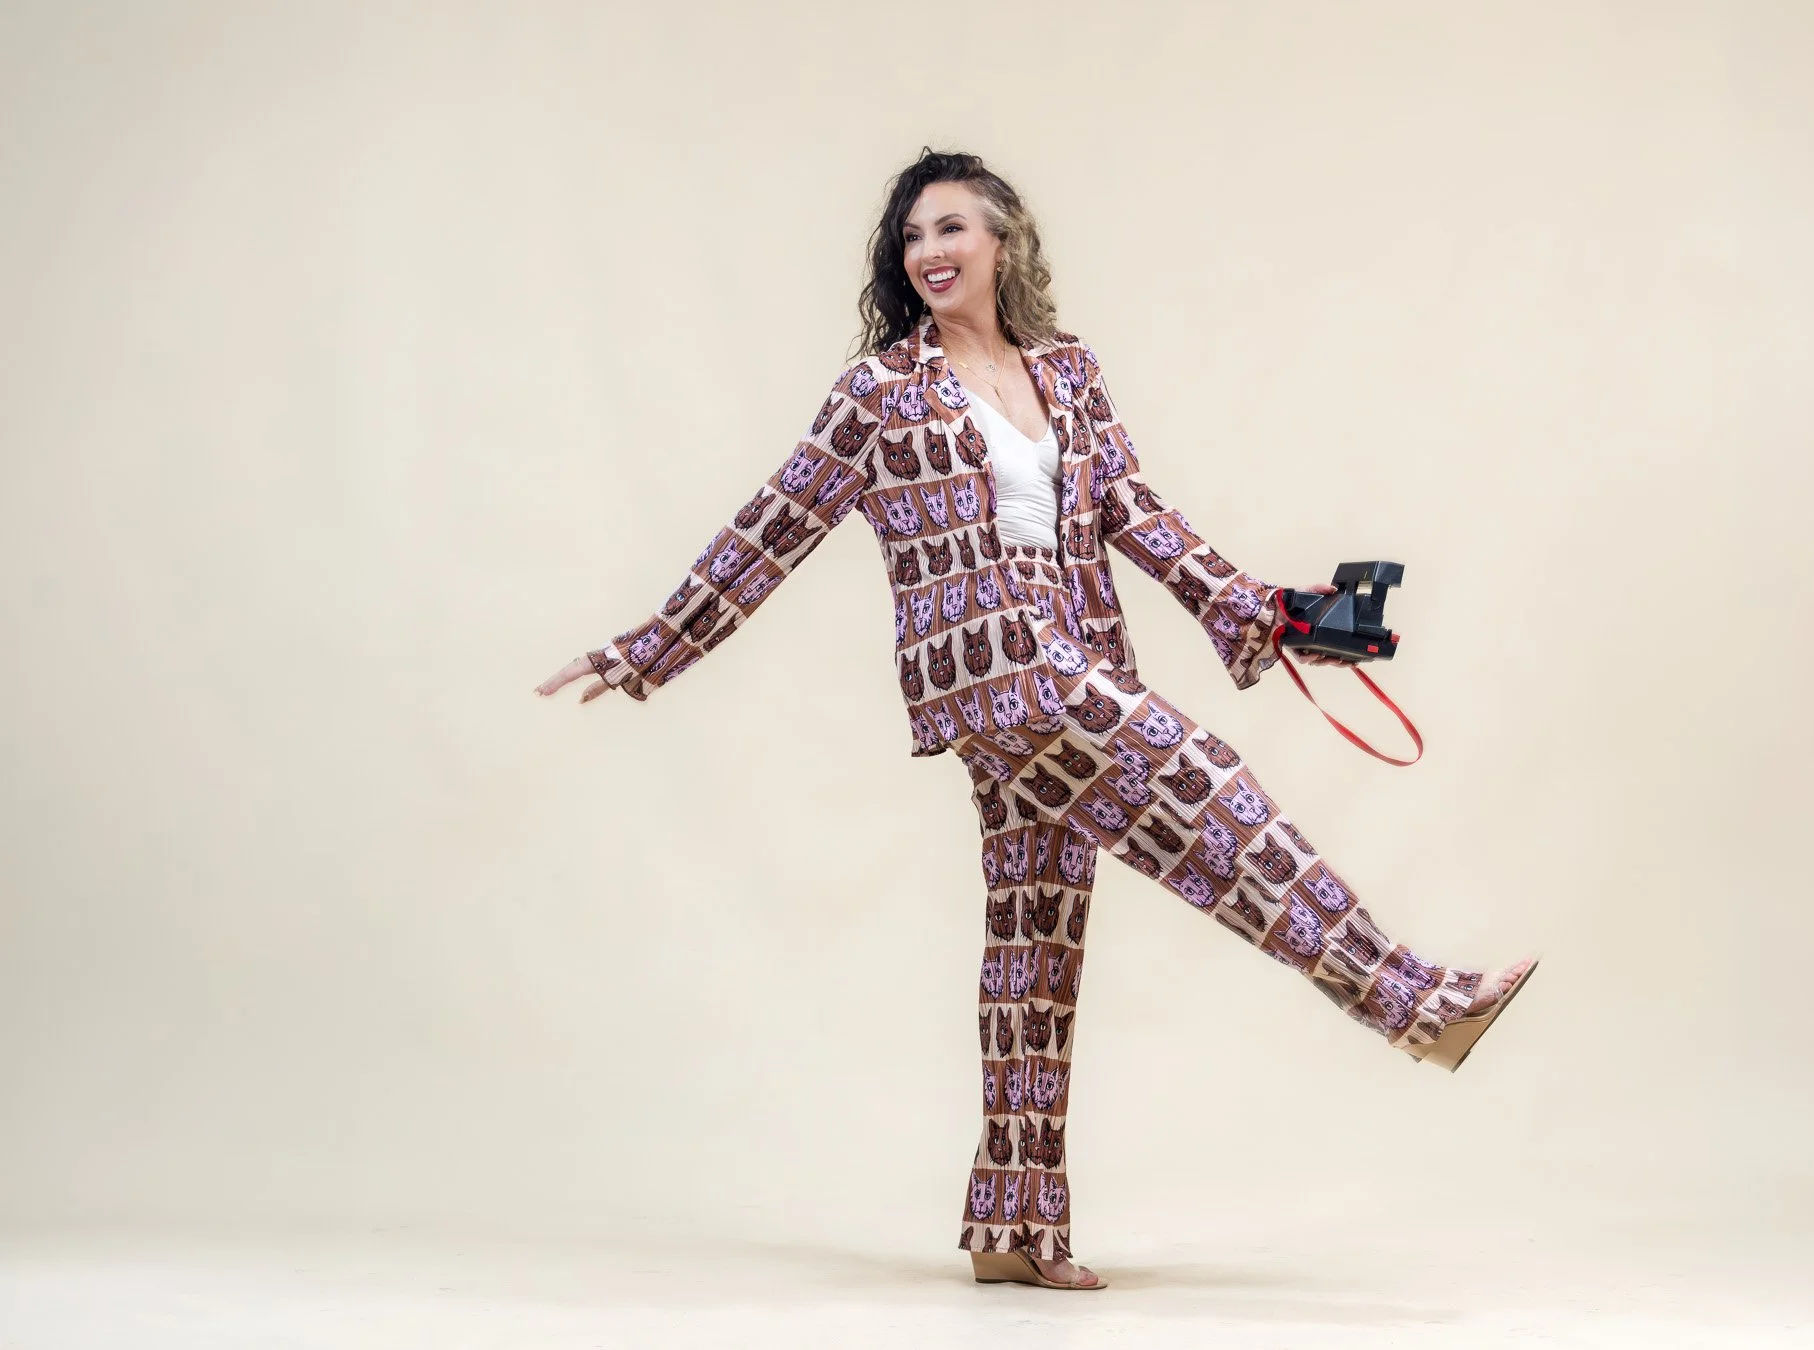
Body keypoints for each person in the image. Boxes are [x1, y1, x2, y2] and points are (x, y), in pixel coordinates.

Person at [537, 148, 1538, 1292]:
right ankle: (1410, 1002)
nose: (929, 254)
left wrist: (1280, 613)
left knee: (1036, 940)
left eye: (951, 229)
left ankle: (1015, 1229)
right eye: (913, 238)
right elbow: (770, 527)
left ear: (1002, 241)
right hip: (993, 668)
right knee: (1205, 778)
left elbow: (1139, 517)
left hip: (1073, 653)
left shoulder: (1070, 374)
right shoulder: (881, 393)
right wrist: (646, 650)